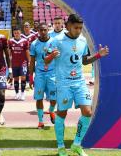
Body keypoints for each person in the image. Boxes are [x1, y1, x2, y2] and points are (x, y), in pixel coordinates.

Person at [45, 14, 109, 156]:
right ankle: (61, 147)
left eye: (80, 28)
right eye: (76, 28)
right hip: (63, 84)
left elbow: (85, 61)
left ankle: (76, 144)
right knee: (62, 114)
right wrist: (51, 56)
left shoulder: (82, 40)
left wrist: (99, 55)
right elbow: (46, 60)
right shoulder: (57, 40)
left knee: (88, 112)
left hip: (79, 82)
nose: (79, 30)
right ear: (68, 26)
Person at [29, 23, 57, 129]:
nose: (43, 32)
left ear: (48, 30)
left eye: (45, 30)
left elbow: (59, 59)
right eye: (41, 30)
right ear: (38, 31)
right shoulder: (34, 44)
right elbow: (32, 61)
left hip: (52, 74)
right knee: (39, 98)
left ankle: (51, 110)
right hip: (40, 74)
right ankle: (41, 121)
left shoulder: (54, 42)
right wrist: (31, 77)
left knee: (54, 98)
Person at [9, 27, 30, 100]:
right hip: (14, 63)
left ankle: (23, 93)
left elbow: (27, 52)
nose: (16, 34)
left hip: (23, 63)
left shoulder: (25, 41)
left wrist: (29, 61)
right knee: (16, 79)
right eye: (15, 33)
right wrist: (9, 65)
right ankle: (17, 93)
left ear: (20, 32)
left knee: (23, 77)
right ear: (13, 33)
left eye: (18, 33)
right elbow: (9, 54)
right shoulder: (10, 41)